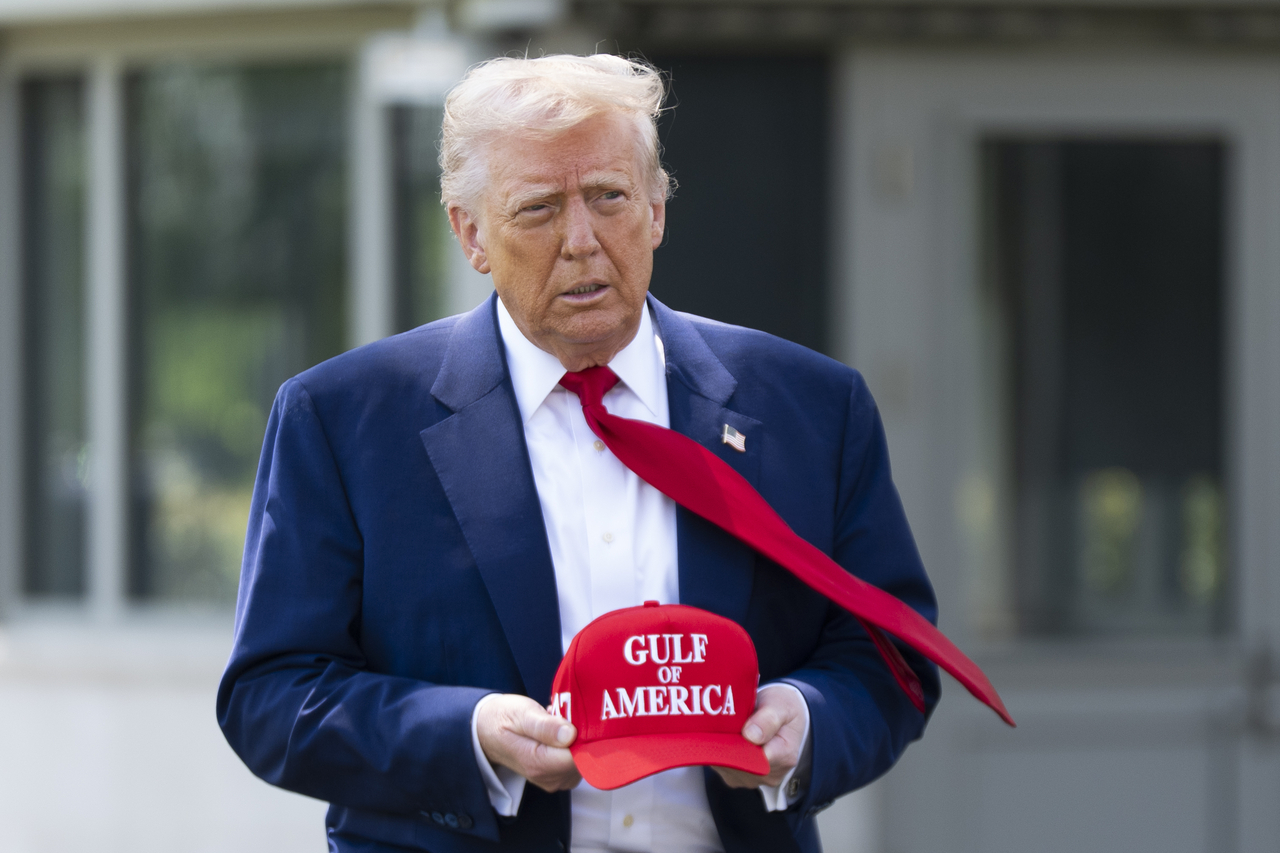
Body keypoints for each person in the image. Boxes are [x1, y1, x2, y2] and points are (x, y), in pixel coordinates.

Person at [217, 53, 939, 853]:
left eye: (609, 197)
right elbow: (272, 695)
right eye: (538, 209)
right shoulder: (344, 419)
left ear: (656, 210)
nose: (582, 241)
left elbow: (892, 655)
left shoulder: (811, 407)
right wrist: (468, 733)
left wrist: (805, 721)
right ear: (471, 234)